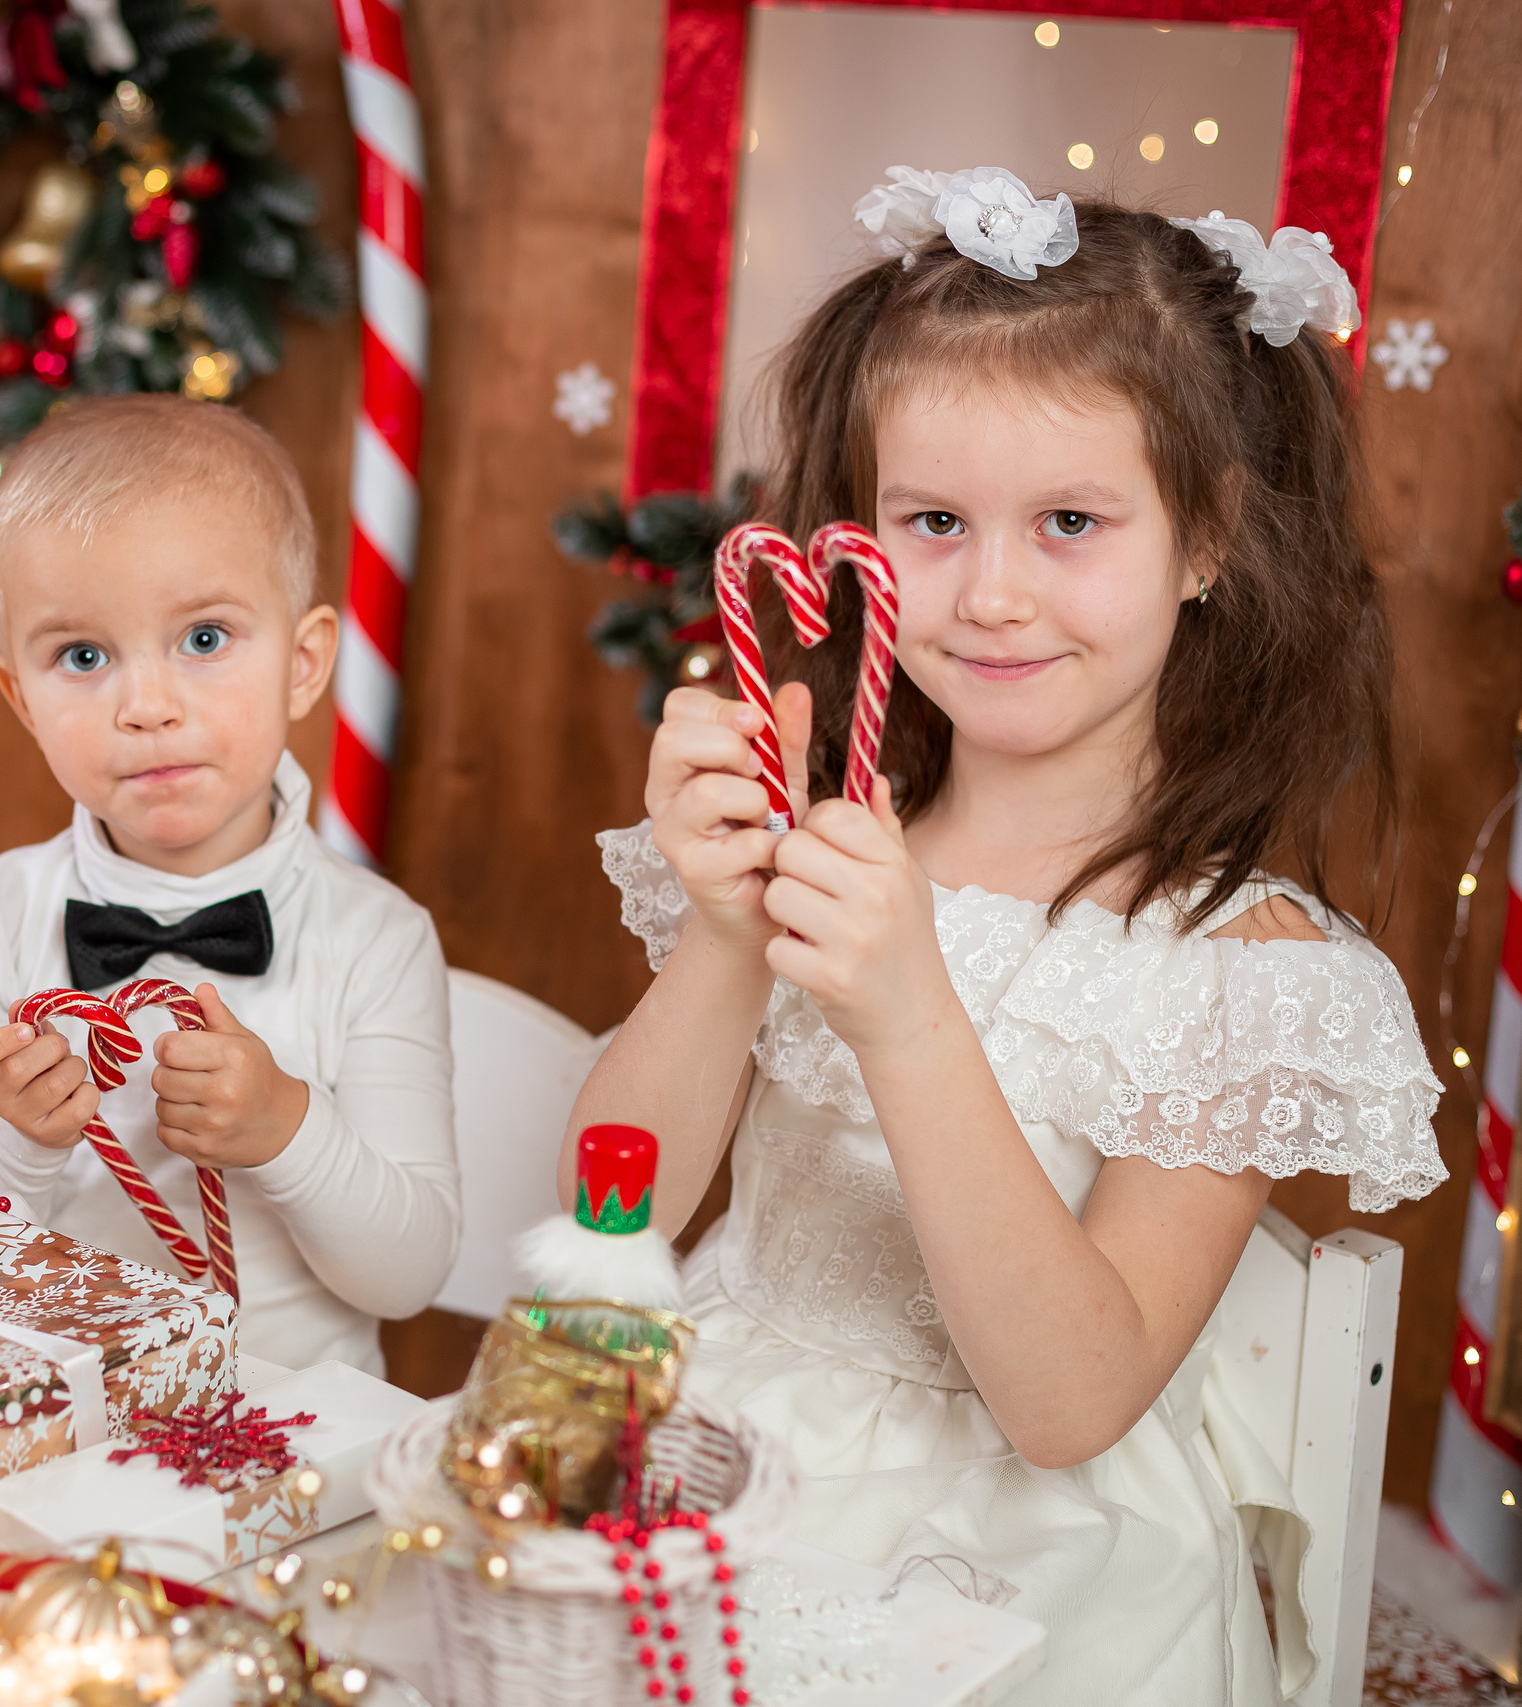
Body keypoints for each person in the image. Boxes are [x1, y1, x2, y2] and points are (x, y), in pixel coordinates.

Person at [568, 169, 1445, 1704]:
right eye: (933, 520)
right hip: (715, 1447)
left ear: (1206, 539)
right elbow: (605, 1213)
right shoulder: (830, 828)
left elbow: (1067, 1399)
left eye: (1070, 523)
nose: (988, 593)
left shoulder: (1253, 973)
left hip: (1025, 1556)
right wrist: (722, 936)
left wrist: (908, 1016)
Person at [0, 395, 459, 1376]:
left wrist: (288, 1131)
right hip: (45, 1413)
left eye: (203, 639)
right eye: (82, 656)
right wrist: (14, 1140)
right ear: (19, 699)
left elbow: (406, 1275)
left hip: (290, 1434)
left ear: (302, 665)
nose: (147, 707)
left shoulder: (377, 938)